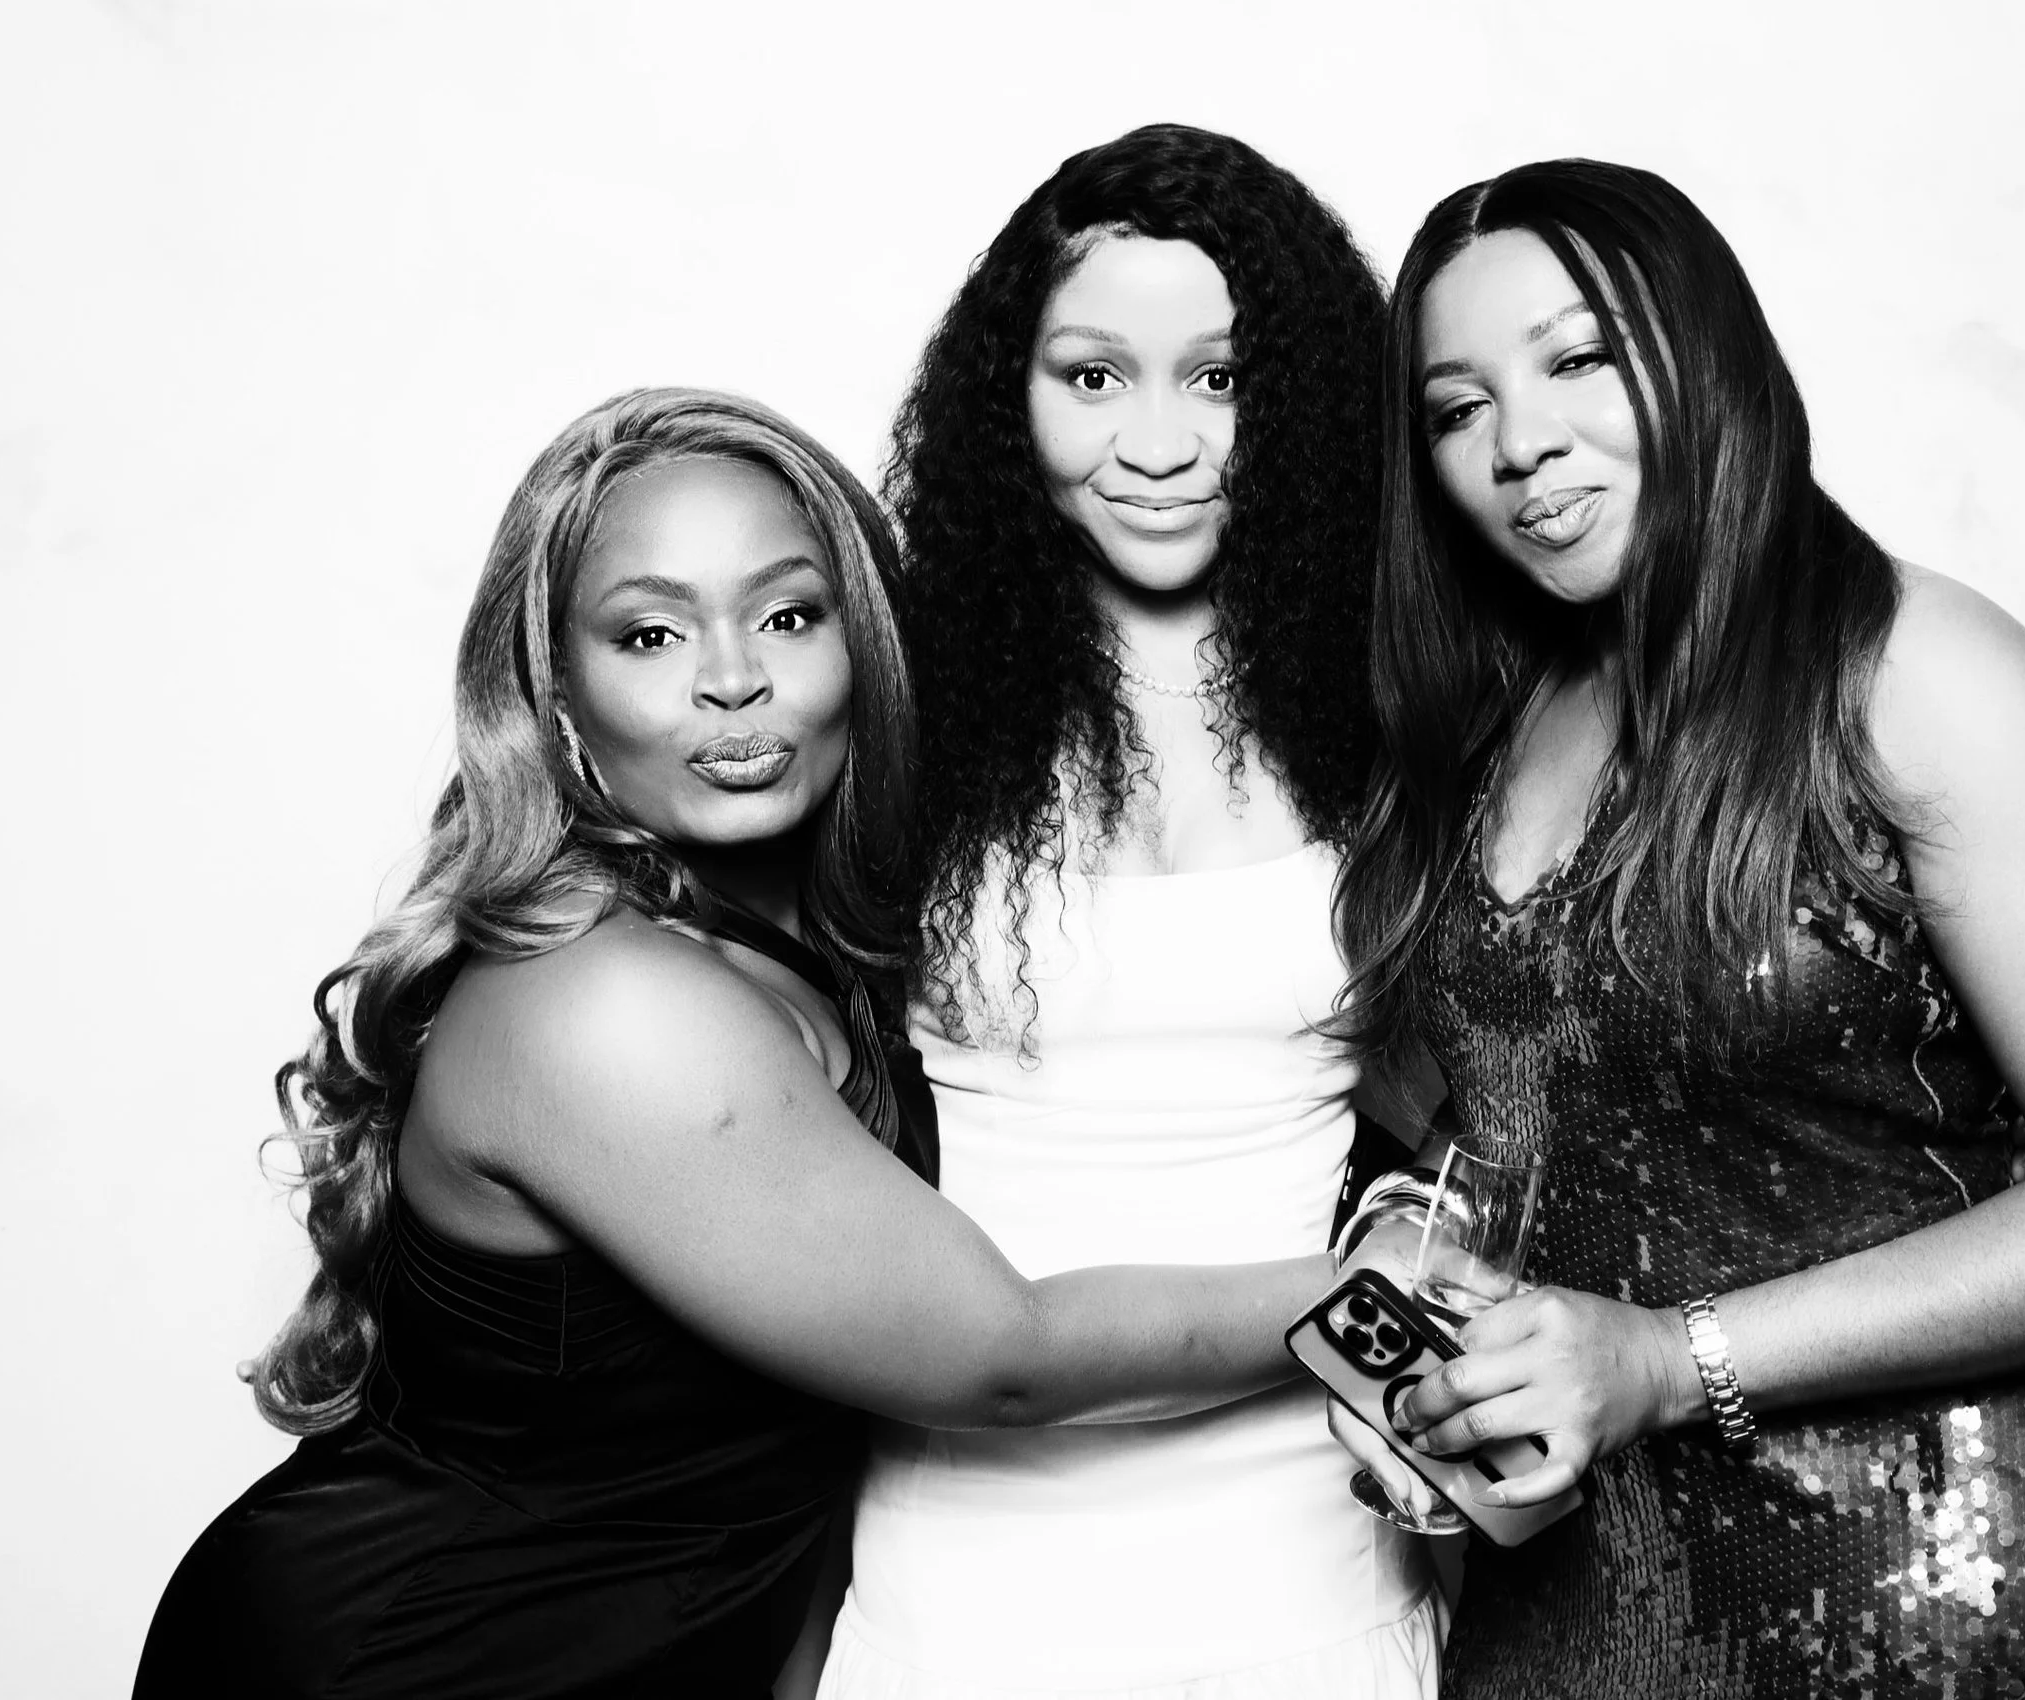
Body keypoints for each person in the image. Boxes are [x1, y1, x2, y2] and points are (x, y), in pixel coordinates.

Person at [132, 389, 1340, 1700]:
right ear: (557, 692)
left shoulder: (818, 947)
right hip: (413, 1659)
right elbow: (1003, 1357)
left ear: (863, 642)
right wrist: (1367, 1291)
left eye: (788, 614)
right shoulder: (606, 1003)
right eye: (648, 632)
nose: (731, 678)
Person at [1329, 162, 2025, 1698]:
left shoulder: (1920, 676)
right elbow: (1501, 1124)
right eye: (1454, 408)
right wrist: (1422, 1319)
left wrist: (1664, 1359)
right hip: (1578, 1573)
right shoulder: (1487, 720)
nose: (1520, 444)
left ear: (1705, 357)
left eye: (1578, 360)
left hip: (1926, 1572)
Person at [819, 126, 1441, 1699]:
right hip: (961, 1559)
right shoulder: (897, 715)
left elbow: (1483, 1129)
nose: (1156, 441)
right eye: (1093, 376)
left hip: (1308, 1544)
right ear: (1006, 397)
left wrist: (1422, 1315)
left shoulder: (1405, 708)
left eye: (1219, 379)